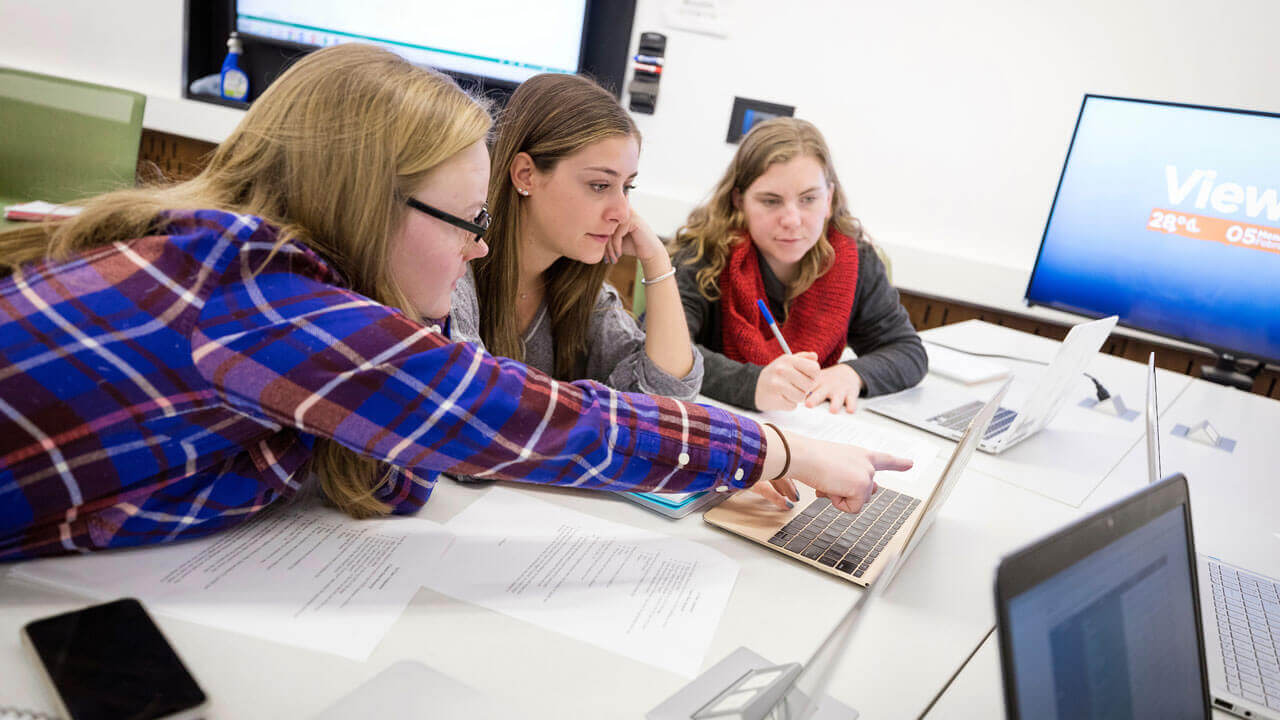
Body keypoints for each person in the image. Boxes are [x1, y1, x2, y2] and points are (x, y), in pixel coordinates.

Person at [0, 45, 910, 563]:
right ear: (368, 201)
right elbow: (514, 419)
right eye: (463, 220)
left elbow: (394, 473)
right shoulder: (262, 296)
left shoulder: (273, 292)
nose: (479, 245)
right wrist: (774, 447)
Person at [451, 73, 700, 401]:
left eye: (627, 188)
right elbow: (480, 406)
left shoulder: (579, 288)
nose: (622, 212)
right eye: (600, 185)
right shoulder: (454, 274)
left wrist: (657, 260)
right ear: (525, 175)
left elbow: (670, 397)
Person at [671, 118, 927, 414]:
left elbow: (908, 351)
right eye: (770, 201)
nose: (792, 220)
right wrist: (751, 384)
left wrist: (851, 373)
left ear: (829, 199)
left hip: (807, 429)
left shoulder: (856, 260)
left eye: (808, 199)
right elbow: (663, 351)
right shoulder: (702, 254)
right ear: (739, 200)